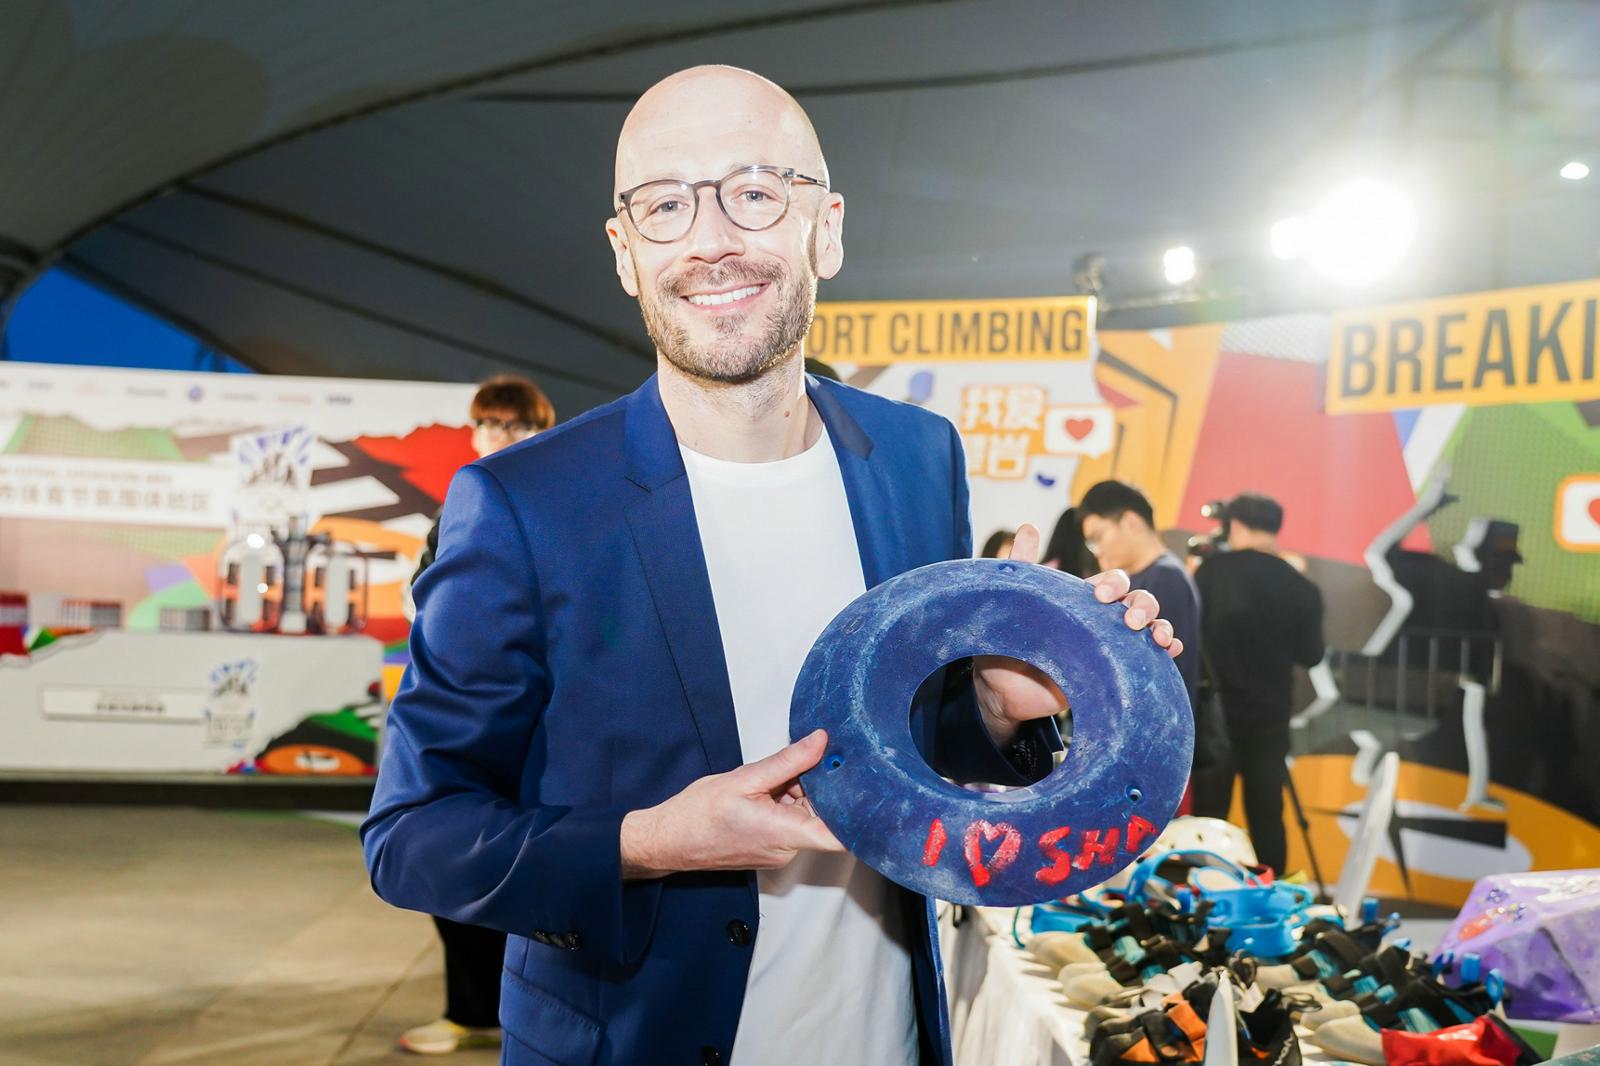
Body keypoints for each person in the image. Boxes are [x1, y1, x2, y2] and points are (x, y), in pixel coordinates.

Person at [362, 65, 1179, 1066]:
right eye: (666, 204)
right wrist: (647, 842)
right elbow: (414, 835)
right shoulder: (525, 505)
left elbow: (909, 758)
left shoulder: (917, 458)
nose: (709, 240)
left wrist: (997, 708)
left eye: (753, 191)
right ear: (625, 253)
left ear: (825, 229)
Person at [398, 373, 555, 1056]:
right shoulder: (461, 504)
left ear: (542, 430)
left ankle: (520, 1010)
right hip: (467, 715)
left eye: (517, 425)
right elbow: (428, 602)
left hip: (545, 722)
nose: (501, 437)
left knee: (536, 868)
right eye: (490, 424)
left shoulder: (567, 498)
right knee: (454, 857)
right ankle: (469, 1010)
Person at [1191, 493, 1324, 874]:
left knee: (1208, 818)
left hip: (1216, 717)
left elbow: (1190, 634)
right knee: (1267, 815)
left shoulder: (1211, 573)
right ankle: (1270, 891)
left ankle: (1202, 893)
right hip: (1270, 717)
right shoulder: (1301, 587)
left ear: (1234, 524)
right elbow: (1312, 655)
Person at [1077, 481, 1203, 726]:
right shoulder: (1151, 576)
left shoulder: (1165, 578)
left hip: (1154, 726)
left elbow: (1154, 674)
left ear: (1131, 522)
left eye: (1097, 538)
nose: (1096, 551)